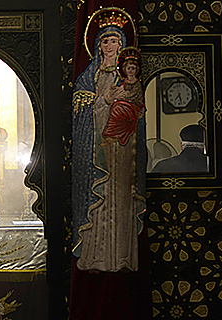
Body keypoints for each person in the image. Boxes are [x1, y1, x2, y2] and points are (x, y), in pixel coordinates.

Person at [71, 9, 146, 274]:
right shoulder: (86, 79)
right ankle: (96, 258)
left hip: (122, 151)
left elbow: (138, 114)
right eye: (105, 41)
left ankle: (122, 257)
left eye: (115, 41)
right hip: (95, 153)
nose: (111, 46)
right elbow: (81, 119)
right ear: (98, 46)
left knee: (120, 199)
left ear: (122, 45)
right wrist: (103, 102)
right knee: (100, 200)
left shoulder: (129, 78)